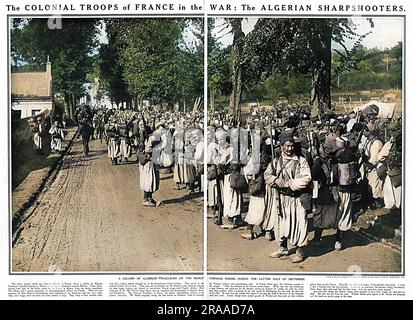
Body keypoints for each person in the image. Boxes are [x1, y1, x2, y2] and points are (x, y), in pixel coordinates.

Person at [264, 132, 311, 263]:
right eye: (287, 146)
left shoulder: (301, 161)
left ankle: (300, 251)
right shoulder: (275, 162)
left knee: (300, 224)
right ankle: (283, 248)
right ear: (281, 146)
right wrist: (276, 181)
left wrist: (287, 183)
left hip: (297, 199)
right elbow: (267, 176)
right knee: (281, 225)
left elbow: (306, 178)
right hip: (281, 199)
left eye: (292, 146)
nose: (290, 148)